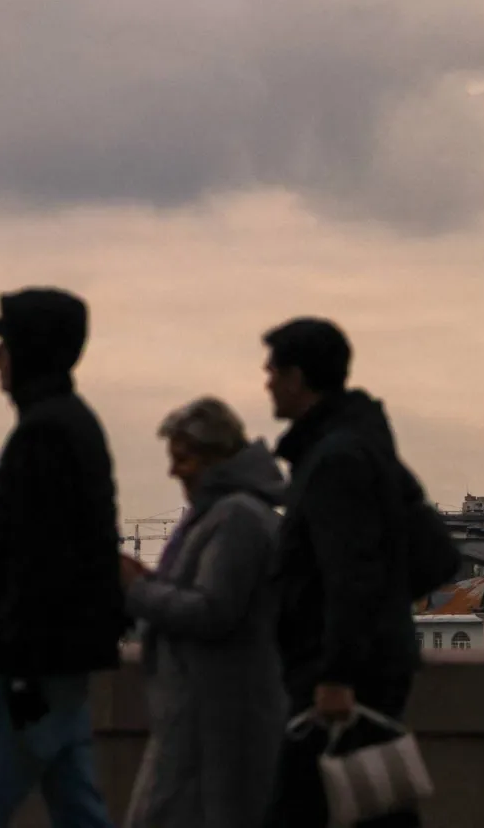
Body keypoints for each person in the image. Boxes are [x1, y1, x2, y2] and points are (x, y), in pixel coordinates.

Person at [0, 287, 126, 828]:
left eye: (5, 344)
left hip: (31, 666)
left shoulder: (46, 434)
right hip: (58, 661)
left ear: (32, 351)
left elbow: (38, 562)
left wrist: (14, 661)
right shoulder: (70, 425)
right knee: (78, 808)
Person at [260, 318, 423, 828]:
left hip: (337, 677)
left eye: (272, 371)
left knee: (303, 808)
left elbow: (348, 574)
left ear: (297, 377)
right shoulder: (362, 443)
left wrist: (337, 673)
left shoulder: (333, 459)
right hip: (364, 663)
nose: (265, 382)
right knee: (373, 809)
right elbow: (427, 555)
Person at [119, 397, 287, 828]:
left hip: (213, 729)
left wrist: (136, 589)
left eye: (184, 459)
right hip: (207, 722)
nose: (174, 472)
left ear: (216, 457)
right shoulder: (226, 513)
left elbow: (213, 610)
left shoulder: (235, 519)